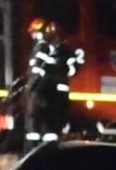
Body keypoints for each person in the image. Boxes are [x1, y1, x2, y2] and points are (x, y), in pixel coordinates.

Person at [19, 18, 84, 149]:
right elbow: (72, 70)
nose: (33, 36)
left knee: (35, 124)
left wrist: (31, 90)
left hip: (41, 92)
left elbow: (36, 71)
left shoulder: (43, 48)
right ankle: (47, 151)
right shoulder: (63, 49)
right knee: (50, 127)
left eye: (34, 32)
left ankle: (32, 152)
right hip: (56, 97)